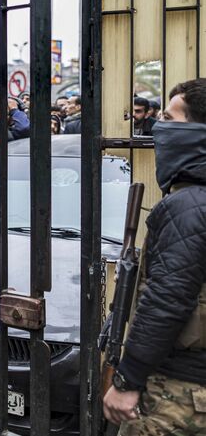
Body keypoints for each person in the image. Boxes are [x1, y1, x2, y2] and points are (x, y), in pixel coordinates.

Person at [103, 78, 206, 435]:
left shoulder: (188, 205)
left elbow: (167, 299)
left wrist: (128, 379)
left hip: (178, 393)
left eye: (169, 119)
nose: (158, 127)